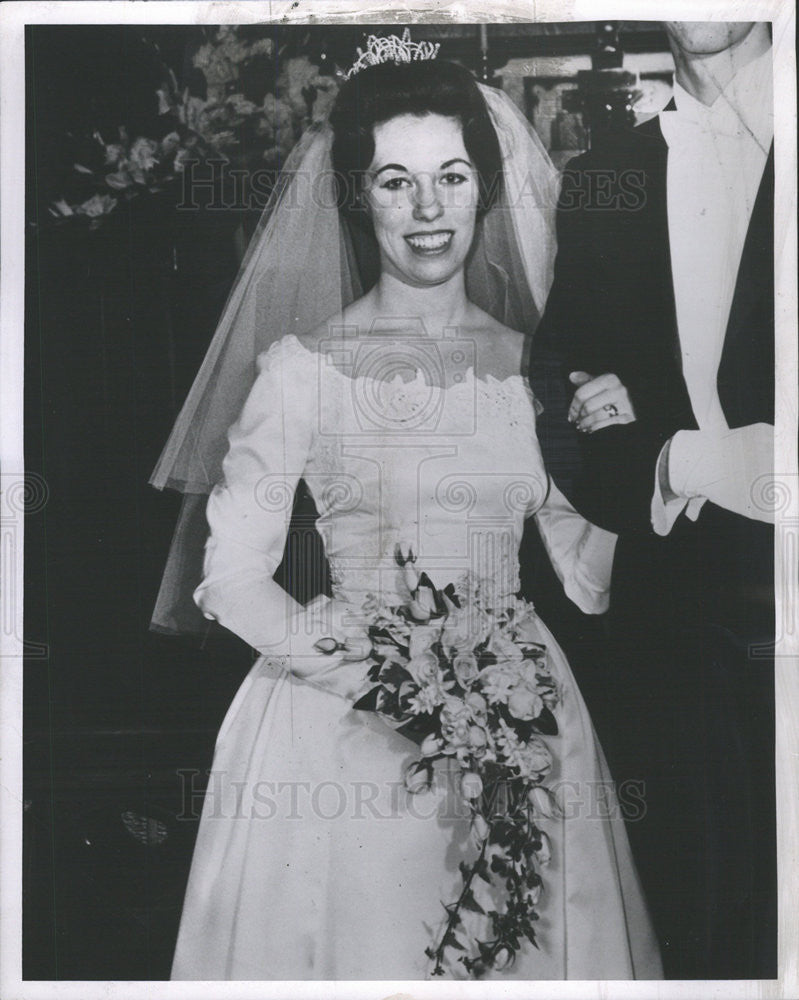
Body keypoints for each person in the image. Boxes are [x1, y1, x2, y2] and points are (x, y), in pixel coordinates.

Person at [151, 45, 662, 980]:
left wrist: (630, 455)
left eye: (451, 177)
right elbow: (226, 578)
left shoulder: (535, 368)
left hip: (524, 723)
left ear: (483, 188)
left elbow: (588, 584)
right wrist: (380, 678)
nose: (428, 210)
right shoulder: (301, 370)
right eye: (396, 182)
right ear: (359, 197)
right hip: (338, 726)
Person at [531, 21, 776, 980]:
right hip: (681, 618)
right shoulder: (605, 177)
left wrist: (674, 451)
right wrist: (676, 463)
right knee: (705, 925)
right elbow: (557, 393)